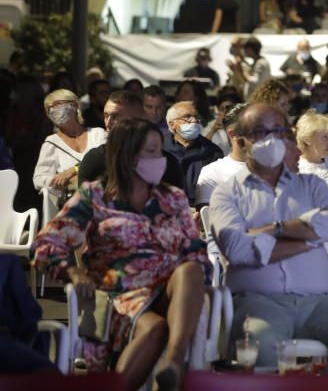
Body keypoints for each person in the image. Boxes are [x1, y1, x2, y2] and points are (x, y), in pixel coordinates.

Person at [33, 118, 210, 390]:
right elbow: (47, 243)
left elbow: (195, 251)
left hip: (170, 290)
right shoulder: (95, 196)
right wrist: (72, 271)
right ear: (127, 156)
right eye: (151, 151)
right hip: (119, 291)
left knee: (190, 269)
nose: (159, 158)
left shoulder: (171, 198)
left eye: (159, 151)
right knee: (155, 328)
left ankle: (174, 361)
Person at [209, 104, 328, 370]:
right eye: (261, 132)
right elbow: (238, 250)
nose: (272, 139)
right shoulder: (226, 193)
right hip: (259, 302)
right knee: (263, 346)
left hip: (318, 302)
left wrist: (273, 230)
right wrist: (311, 238)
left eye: (279, 131)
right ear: (241, 140)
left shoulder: (311, 186)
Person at [33, 89, 108, 195]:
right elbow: (38, 178)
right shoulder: (51, 143)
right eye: (48, 108)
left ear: (74, 106)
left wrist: (74, 170)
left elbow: (107, 161)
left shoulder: (98, 133)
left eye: (57, 104)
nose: (52, 110)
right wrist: (64, 182)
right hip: (74, 201)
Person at [163, 101, 224, 202]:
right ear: (172, 124)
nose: (194, 120)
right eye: (187, 117)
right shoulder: (160, 149)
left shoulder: (212, 152)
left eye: (196, 117)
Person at [195, 104, 247, 208]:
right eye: (256, 130)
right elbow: (209, 220)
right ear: (233, 134)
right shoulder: (213, 173)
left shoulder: (275, 168)